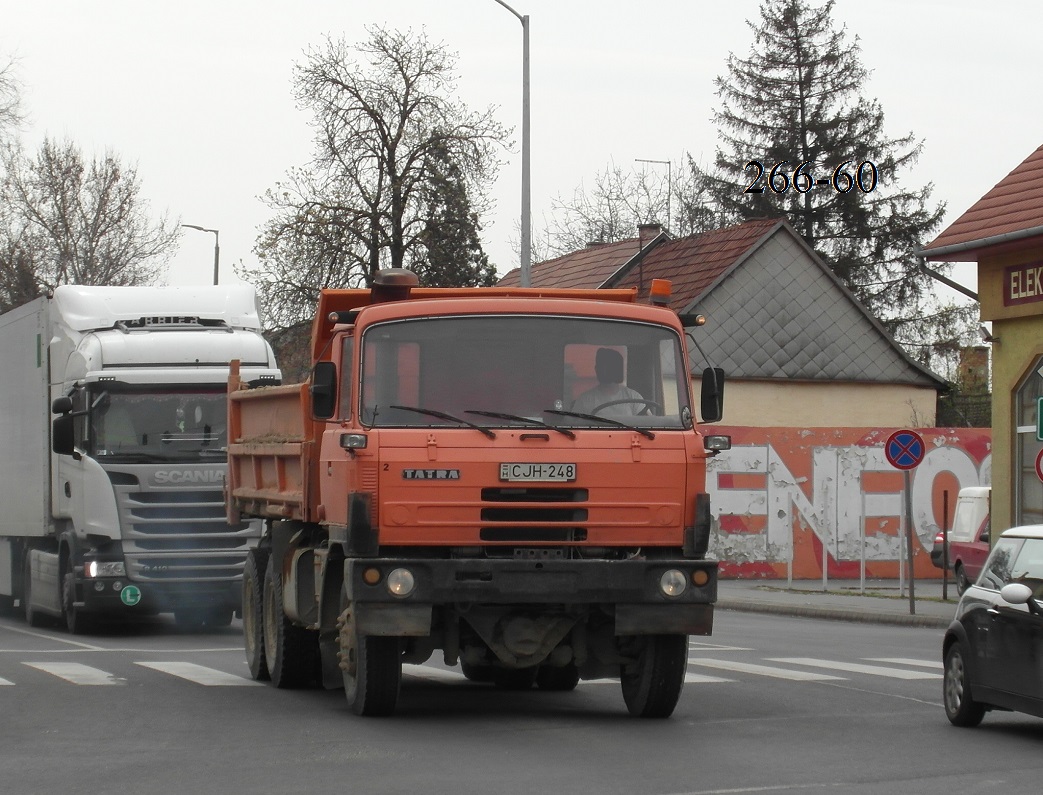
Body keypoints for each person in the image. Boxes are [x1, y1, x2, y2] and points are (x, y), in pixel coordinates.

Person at [570, 348, 644, 416]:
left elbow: (648, 423)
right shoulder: (585, 401)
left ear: (618, 370)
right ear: (597, 369)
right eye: (603, 367)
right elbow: (575, 425)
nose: (607, 371)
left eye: (611, 367)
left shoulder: (633, 397)